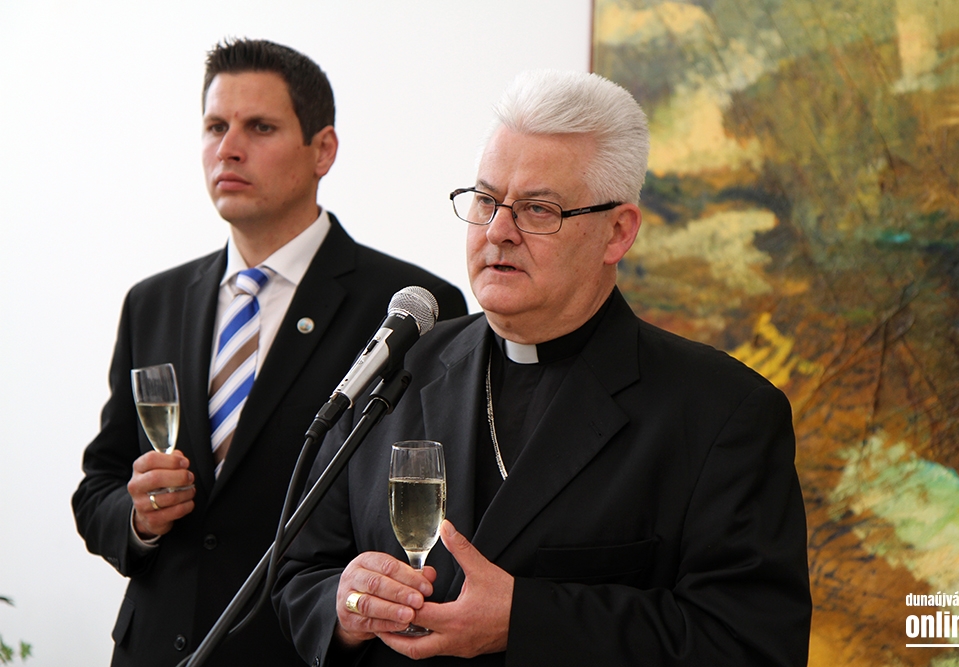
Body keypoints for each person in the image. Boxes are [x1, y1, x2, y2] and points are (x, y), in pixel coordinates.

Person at [272, 70, 812, 666]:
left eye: (538, 209)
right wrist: (346, 606)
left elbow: (750, 643)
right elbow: (301, 572)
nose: (498, 231)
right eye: (485, 201)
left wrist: (527, 620)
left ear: (617, 232)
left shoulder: (722, 412)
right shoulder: (399, 368)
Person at [72, 38, 467, 667]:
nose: (228, 148)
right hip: (154, 649)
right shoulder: (153, 301)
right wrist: (138, 517)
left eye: (259, 127)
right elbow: (98, 486)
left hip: (298, 650)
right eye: (215, 127)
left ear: (323, 150)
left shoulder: (407, 309)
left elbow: (424, 501)